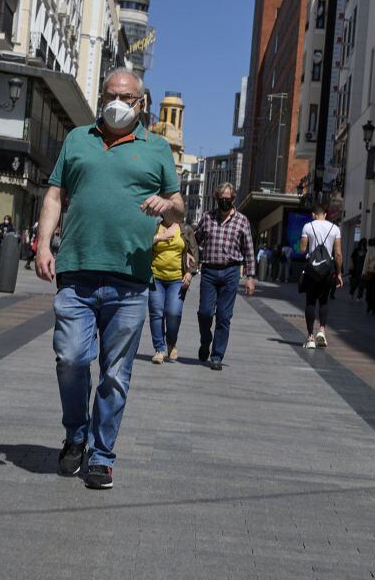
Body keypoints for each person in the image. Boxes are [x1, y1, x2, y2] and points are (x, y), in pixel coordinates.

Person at [36, 67, 183, 490]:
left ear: (142, 103)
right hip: (76, 273)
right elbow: (53, 195)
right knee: (71, 359)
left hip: (130, 281)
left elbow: (178, 208)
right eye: (109, 94)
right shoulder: (77, 139)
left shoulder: (156, 149)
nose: (116, 102)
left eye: (126, 96)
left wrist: (166, 205)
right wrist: (44, 244)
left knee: (116, 373)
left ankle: (101, 454)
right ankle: (75, 433)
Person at [195, 181, 257, 370]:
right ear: (216, 199)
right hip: (209, 271)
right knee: (205, 313)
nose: (223, 202)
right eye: (220, 199)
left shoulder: (242, 221)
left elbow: (249, 250)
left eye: (227, 199)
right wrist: (192, 256)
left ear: (233, 199)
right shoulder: (207, 218)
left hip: (231, 272)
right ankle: (206, 341)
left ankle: (217, 356)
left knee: (224, 316)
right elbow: (196, 241)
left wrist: (250, 277)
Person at [148, 218, 198, 364]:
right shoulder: (154, 226)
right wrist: (160, 237)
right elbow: (142, 243)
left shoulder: (185, 229)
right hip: (155, 277)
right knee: (156, 312)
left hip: (177, 278)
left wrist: (190, 272)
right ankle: (159, 349)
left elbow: (193, 252)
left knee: (173, 312)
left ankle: (171, 342)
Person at [299, 204, 343, 349]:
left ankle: (310, 337)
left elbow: (303, 249)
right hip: (327, 270)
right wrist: (339, 273)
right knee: (324, 301)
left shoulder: (307, 226)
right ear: (326, 214)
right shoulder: (335, 229)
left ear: (313, 214)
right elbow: (338, 254)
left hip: (312, 269)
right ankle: (322, 331)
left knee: (310, 301)